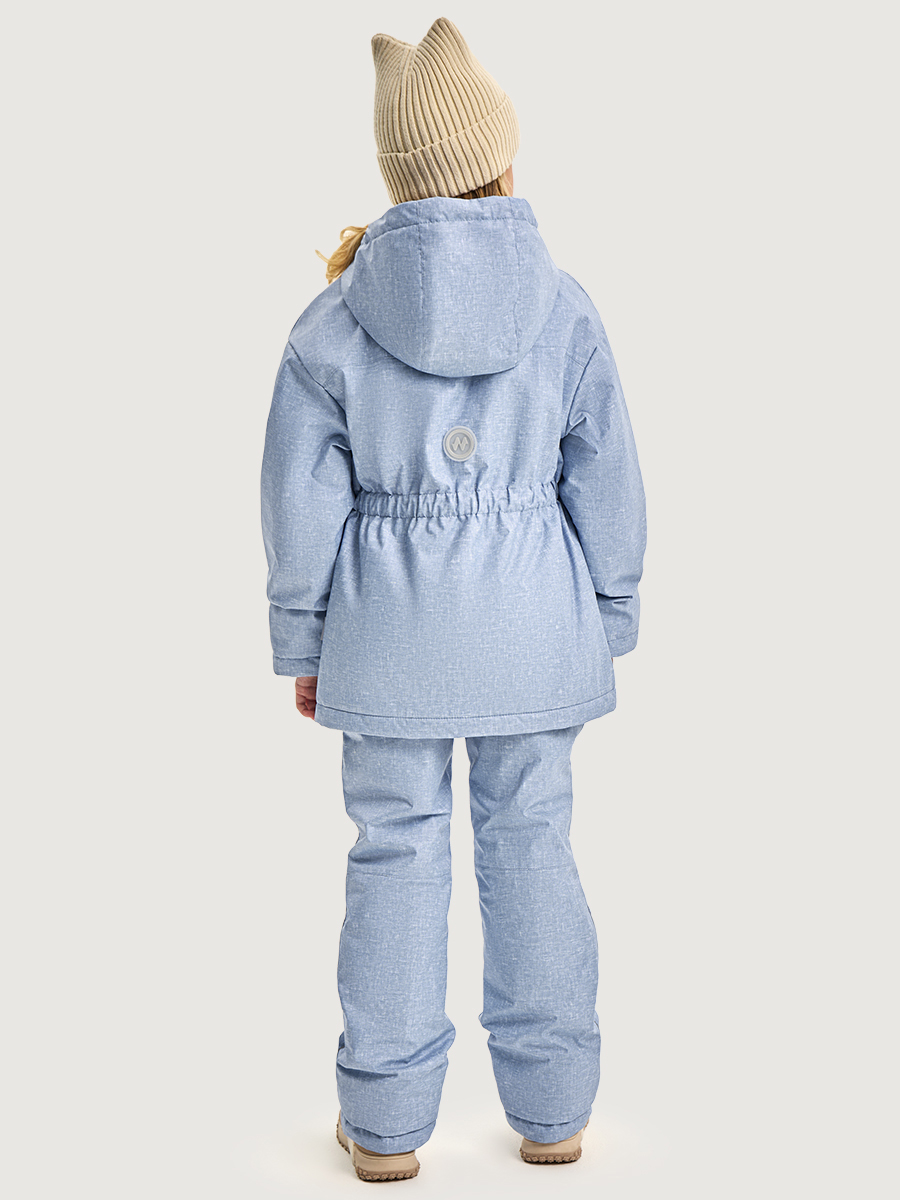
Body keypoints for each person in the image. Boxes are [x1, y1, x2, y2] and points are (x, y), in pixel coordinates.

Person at [260, 16, 647, 1184]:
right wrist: (608, 615)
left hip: (387, 634)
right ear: (504, 160)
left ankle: (384, 1124)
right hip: (534, 626)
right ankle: (554, 1113)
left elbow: (298, 501)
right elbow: (609, 478)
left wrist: (305, 639)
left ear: (397, 177)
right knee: (533, 844)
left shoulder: (331, 323)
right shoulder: (565, 307)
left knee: (395, 853)